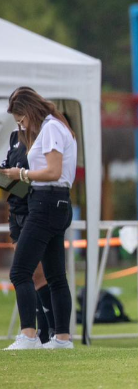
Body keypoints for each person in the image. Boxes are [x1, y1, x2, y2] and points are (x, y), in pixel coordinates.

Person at [3, 87, 77, 350]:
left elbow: (54, 171)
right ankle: (62, 339)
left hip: (47, 202)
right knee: (56, 275)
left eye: (21, 119)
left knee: (20, 272)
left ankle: (29, 336)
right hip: (51, 202)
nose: (21, 126)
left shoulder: (51, 128)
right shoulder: (52, 127)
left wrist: (20, 174)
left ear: (29, 111)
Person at [1, 119, 56, 344]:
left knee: (36, 274)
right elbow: (6, 173)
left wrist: (18, 178)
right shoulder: (15, 137)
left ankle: (51, 331)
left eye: (20, 114)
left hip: (36, 211)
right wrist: (11, 179)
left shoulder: (44, 135)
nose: (19, 120)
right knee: (27, 275)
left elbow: (44, 176)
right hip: (16, 211)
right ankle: (39, 334)